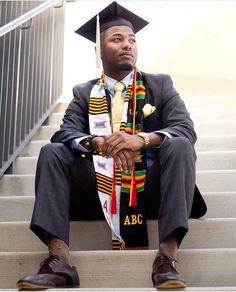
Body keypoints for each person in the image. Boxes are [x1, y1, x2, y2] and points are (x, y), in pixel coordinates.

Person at [17, 1, 207, 290]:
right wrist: (96, 143)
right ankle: (59, 261)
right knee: (52, 151)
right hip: (99, 192)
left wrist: (140, 140)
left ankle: (167, 257)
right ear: (99, 49)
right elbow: (65, 133)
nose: (127, 45)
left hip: (151, 189)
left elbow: (184, 129)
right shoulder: (84, 92)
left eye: (131, 39)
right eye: (116, 39)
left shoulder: (159, 84)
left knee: (179, 145)